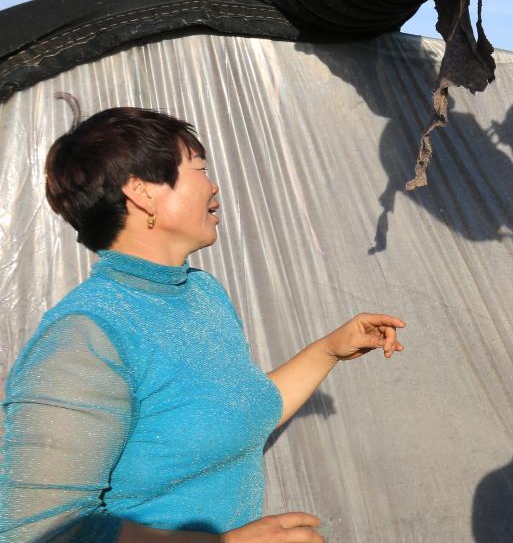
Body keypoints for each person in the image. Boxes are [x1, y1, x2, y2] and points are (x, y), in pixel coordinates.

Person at [0, 107, 406, 542]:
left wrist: (327, 350)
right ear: (142, 192)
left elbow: (239, 413)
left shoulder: (201, 293)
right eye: (199, 168)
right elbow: (36, 528)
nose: (214, 185)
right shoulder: (85, 335)